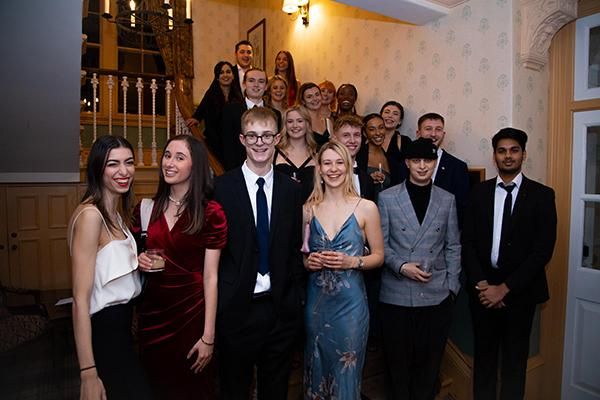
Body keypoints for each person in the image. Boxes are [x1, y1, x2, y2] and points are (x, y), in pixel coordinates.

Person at [214, 107, 305, 400]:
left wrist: (293, 303)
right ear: (242, 139)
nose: (259, 142)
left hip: (279, 310)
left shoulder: (292, 191)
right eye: (252, 136)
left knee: (275, 389)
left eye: (266, 135)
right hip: (237, 309)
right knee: (234, 388)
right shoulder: (220, 188)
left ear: (277, 138)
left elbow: (293, 249)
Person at [462, 128, 557, 400]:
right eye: (502, 151)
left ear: (523, 154)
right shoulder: (478, 192)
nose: (508, 156)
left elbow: (542, 251)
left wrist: (504, 288)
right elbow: (467, 241)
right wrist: (483, 285)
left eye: (514, 150)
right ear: (494, 156)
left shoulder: (542, 195)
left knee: (515, 364)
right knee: (485, 362)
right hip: (482, 294)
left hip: (521, 294)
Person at [132, 135, 227, 400]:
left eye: (179, 157)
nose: (169, 163)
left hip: (192, 316)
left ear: (195, 166)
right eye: (167, 155)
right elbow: (134, 255)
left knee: (194, 389)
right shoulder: (145, 208)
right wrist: (138, 260)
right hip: (152, 315)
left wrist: (209, 336)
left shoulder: (211, 212)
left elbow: (211, 277)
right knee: (156, 387)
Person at [69, 135, 152, 400]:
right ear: (97, 168)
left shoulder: (115, 213)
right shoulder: (91, 216)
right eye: (112, 164)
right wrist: (88, 372)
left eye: (128, 162)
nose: (124, 171)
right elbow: (80, 301)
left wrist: (136, 264)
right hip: (104, 335)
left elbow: (107, 268)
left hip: (122, 330)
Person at [378, 137, 461, 400]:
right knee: (397, 367)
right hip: (396, 294)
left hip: (436, 295)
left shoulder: (447, 199)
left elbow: (453, 245)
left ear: (435, 163)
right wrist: (401, 267)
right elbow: (380, 245)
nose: (422, 166)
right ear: (407, 163)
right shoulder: (387, 197)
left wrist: (452, 287)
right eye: (416, 161)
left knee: (429, 366)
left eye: (428, 160)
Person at [303, 141, 384, 399]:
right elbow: (301, 256)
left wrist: (353, 262)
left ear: (348, 167)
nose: (333, 169)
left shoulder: (366, 207)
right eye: (327, 163)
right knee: (316, 370)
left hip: (351, 309)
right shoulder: (308, 209)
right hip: (316, 306)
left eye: (339, 162)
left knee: (346, 375)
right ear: (319, 168)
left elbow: (380, 256)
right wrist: (308, 263)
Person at [220, 68, 282, 171]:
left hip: (267, 171)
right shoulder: (230, 110)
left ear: (266, 86)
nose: (256, 85)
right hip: (238, 171)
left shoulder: (275, 114)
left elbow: (275, 148)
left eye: (261, 81)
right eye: (251, 80)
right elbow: (227, 147)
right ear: (244, 84)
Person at [415, 112, 469, 225]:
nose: (433, 134)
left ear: (443, 134)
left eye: (438, 129)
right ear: (418, 133)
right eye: (428, 129)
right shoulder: (404, 164)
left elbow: (461, 209)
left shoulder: (458, 167)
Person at [186, 61, 241, 163]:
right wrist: (196, 118)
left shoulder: (238, 96)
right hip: (215, 142)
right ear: (217, 77)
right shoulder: (211, 94)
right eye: (221, 72)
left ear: (233, 76)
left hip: (233, 143)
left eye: (228, 72)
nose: (225, 75)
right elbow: (201, 109)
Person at [274, 105, 317, 202]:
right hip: (281, 212)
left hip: (312, 212)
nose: (295, 126)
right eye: (290, 121)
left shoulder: (318, 153)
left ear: (307, 124)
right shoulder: (274, 152)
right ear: (285, 125)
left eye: (300, 121)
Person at [331, 114, 375, 201]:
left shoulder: (367, 180)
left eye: (356, 135)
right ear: (334, 139)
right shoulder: (324, 175)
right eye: (346, 135)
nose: (352, 140)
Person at [380, 100, 412, 184]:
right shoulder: (369, 140)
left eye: (395, 114)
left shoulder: (405, 141)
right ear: (380, 116)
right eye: (387, 112)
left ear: (400, 121)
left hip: (396, 189)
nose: (390, 116)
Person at [363, 113, 392, 197]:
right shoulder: (359, 155)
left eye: (381, 128)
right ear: (365, 133)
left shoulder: (389, 157)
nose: (378, 133)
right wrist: (368, 179)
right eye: (372, 129)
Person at [297, 82, 332, 148]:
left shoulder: (327, 122)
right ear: (303, 101)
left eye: (317, 94)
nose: (315, 99)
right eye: (309, 97)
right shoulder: (299, 122)